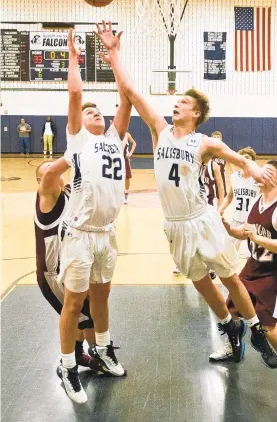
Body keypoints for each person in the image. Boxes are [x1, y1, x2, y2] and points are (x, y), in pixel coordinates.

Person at [96, 20, 276, 369]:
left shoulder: (203, 141)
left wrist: (252, 169)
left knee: (229, 278)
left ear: (196, 114)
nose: (175, 105)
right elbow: (130, 91)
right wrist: (115, 53)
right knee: (198, 281)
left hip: (202, 219)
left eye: (182, 103)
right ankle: (229, 325)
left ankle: (254, 330)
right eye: (176, 102)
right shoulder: (160, 130)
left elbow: (235, 157)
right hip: (175, 224)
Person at [57, 28, 130, 403]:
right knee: (75, 302)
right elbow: (74, 94)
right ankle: (67, 365)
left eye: (98, 110)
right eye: (89, 111)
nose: (94, 112)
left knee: (102, 297)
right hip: (80, 232)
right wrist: (74, 57)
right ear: (79, 123)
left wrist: (116, 55)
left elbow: (126, 98)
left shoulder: (115, 139)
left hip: (107, 233)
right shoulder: (77, 139)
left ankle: (101, 350)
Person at [35, 159, 105, 374]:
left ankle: (85, 353)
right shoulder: (46, 197)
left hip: (71, 266)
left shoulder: (68, 194)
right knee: (83, 314)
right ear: (41, 181)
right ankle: (86, 356)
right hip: (52, 275)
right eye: (48, 172)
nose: (54, 173)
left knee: (87, 311)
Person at [210, 160, 277, 368]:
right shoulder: (258, 200)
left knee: (266, 325)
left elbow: (258, 238)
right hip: (252, 266)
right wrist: (230, 229)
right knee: (231, 309)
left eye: (267, 171)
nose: (260, 174)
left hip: (271, 272)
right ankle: (233, 347)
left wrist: (259, 240)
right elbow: (247, 231)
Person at [219, 147, 260, 253]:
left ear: (253, 161)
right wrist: (220, 210)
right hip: (236, 220)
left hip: (253, 223)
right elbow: (229, 197)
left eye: (247, 158)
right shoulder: (234, 177)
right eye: (242, 158)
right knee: (227, 251)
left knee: (252, 255)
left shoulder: (258, 178)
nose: (244, 160)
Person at [211, 131, 227, 197]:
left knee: (222, 192)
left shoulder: (224, 149)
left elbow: (229, 161)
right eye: (214, 137)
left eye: (218, 137)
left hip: (221, 173)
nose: (216, 138)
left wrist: (233, 171)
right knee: (211, 190)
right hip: (211, 174)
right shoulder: (210, 149)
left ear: (221, 139)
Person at [123, 131, 136, 204]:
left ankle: (126, 194)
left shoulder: (127, 134)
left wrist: (130, 153)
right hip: (116, 158)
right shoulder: (113, 134)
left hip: (125, 158)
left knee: (127, 177)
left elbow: (134, 143)